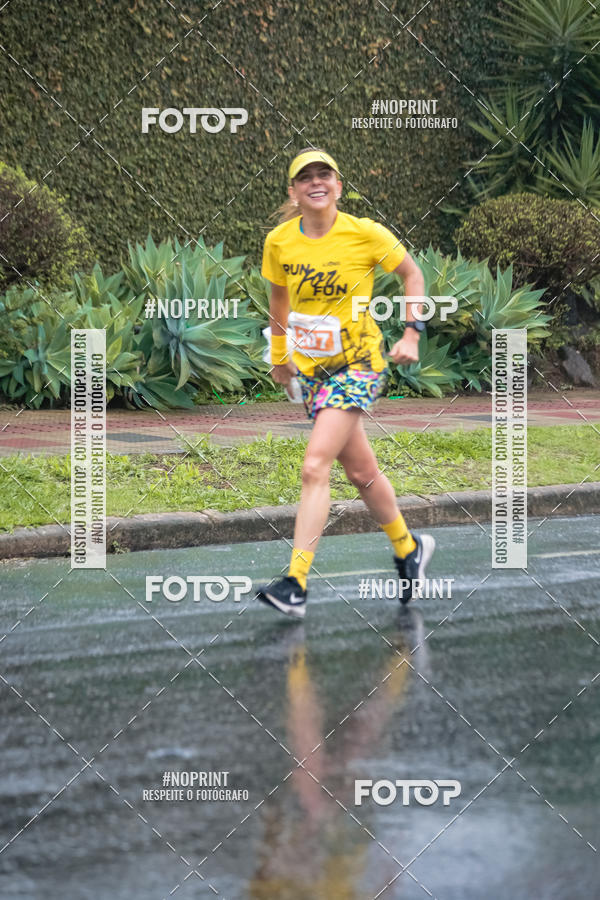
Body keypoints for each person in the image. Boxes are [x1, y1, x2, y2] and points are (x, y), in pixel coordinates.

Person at [256, 148, 435, 618]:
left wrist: (412, 332)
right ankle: (407, 547)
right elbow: (277, 302)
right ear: (293, 191)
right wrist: (280, 359)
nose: (316, 182)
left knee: (315, 466)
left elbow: (412, 274)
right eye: (305, 177)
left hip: (359, 365)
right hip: (315, 371)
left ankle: (295, 582)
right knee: (360, 472)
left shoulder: (365, 233)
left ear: (338, 185)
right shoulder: (279, 242)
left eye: (325, 175)